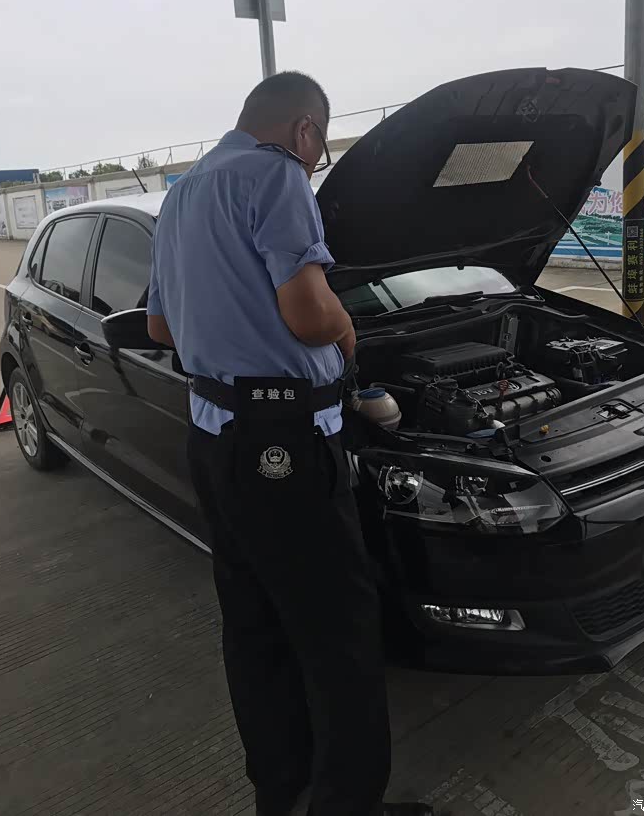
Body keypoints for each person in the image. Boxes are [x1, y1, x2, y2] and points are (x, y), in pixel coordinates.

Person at [147, 72, 433, 816]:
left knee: (254, 624)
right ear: (305, 130)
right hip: (284, 444)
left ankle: (282, 790)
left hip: (215, 439)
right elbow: (308, 313)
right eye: (320, 148)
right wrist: (347, 326)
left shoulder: (181, 195)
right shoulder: (274, 175)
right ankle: (347, 804)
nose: (315, 163)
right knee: (338, 630)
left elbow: (160, 326)